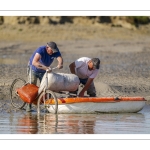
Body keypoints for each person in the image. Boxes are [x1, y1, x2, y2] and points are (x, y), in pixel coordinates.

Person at [26, 41, 63, 112]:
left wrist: (60, 64)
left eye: (54, 51)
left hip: (44, 71)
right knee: (32, 86)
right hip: (34, 69)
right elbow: (34, 62)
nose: (53, 52)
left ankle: (47, 106)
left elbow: (60, 58)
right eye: (51, 51)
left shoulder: (55, 51)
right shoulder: (41, 50)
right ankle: (29, 105)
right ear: (47, 48)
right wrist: (46, 68)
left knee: (46, 87)